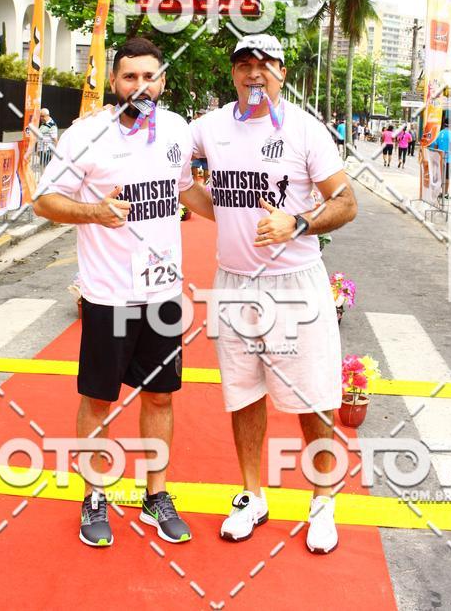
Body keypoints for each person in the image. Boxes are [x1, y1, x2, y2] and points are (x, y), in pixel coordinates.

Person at [33, 37, 215, 548]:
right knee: (98, 399)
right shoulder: (86, 134)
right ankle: (94, 495)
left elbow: (185, 189)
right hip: (109, 295)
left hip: (162, 295)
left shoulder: (176, 130)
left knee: (160, 396)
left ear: (162, 82)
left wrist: (235, 218)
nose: (140, 86)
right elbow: (43, 200)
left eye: (149, 77)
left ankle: (156, 495)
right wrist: (94, 212)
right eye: (130, 77)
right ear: (114, 82)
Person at [190, 33, 357, 555]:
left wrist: (297, 222)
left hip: (295, 285)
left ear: (282, 72)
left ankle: (322, 502)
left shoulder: (305, 130)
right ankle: (252, 495)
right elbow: (166, 161)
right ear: (233, 74)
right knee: (243, 394)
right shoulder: (210, 127)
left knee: (314, 398)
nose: (254, 73)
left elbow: (346, 202)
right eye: (244, 64)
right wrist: (219, 211)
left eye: (265, 64)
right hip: (234, 283)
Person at [428, 117, 451, 197]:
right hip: (448, 159)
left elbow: (436, 146)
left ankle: (438, 192)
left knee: (440, 176)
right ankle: (445, 193)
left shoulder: (439, 133)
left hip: (439, 159)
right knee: (447, 177)